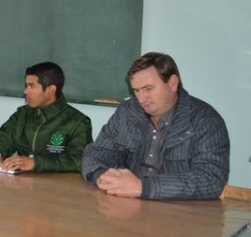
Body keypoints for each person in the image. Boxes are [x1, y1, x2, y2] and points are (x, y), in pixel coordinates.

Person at [81, 52, 229, 200]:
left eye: (148, 89)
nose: (141, 98)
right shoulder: (127, 111)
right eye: (136, 90)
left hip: (178, 211)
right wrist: (101, 175)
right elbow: (96, 152)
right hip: (127, 205)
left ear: (172, 83)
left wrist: (142, 187)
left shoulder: (204, 119)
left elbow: (210, 179)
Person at [0, 62, 92, 173]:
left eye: (32, 86)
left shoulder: (78, 122)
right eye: (26, 85)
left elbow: (79, 161)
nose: (25, 91)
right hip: (22, 183)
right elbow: (3, 137)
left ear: (51, 90)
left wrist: (36, 163)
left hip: (58, 187)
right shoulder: (22, 114)